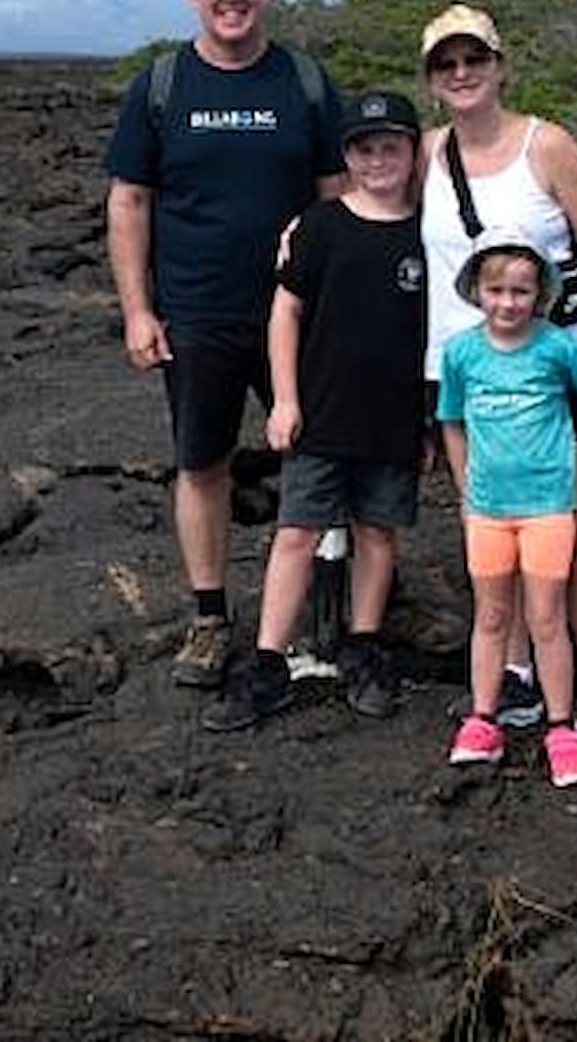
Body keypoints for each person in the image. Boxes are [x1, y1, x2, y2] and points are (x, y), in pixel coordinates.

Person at [104, 0, 345, 689]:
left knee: (315, 456)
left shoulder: (304, 83)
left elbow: (337, 199)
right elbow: (130, 200)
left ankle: (318, 610)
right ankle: (210, 617)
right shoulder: (162, 86)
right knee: (201, 462)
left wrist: (343, 307)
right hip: (197, 313)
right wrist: (138, 310)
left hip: (296, 315)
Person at [418, 3, 577, 776]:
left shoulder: (546, 145)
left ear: (499, 64)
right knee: (497, 525)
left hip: (558, 371)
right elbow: (367, 203)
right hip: (472, 377)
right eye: (445, 63)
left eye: (472, 59)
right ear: (430, 78)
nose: (461, 73)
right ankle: (516, 680)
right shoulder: (425, 155)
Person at [202, 91, 427, 731]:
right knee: (297, 531)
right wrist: (286, 398)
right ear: (346, 155)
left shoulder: (427, 233)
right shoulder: (322, 225)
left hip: (394, 415)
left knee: (378, 531)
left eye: (392, 146)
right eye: (364, 147)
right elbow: (286, 311)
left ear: (414, 152)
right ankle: (269, 660)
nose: (378, 159)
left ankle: (363, 645)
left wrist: (432, 418)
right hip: (321, 412)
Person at [435, 228, 577, 786]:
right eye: (496, 291)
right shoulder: (461, 352)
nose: (507, 303)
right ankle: (483, 720)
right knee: (491, 616)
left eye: (520, 292)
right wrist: (466, 490)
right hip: (489, 509)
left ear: (539, 295)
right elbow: (452, 420)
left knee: (544, 618)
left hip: (548, 508)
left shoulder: (558, 348)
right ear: (477, 291)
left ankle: (562, 727)